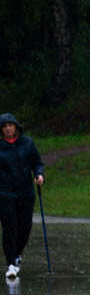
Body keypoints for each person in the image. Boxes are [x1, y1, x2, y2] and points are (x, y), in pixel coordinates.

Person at [0, 113, 45, 280]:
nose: (8, 129)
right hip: (4, 193)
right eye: (4, 126)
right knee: (9, 227)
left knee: (25, 227)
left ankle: (16, 254)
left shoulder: (28, 143)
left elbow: (37, 163)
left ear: (16, 126)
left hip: (25, 192)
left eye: (10, 125)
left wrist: (40, 176)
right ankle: (11, 263)